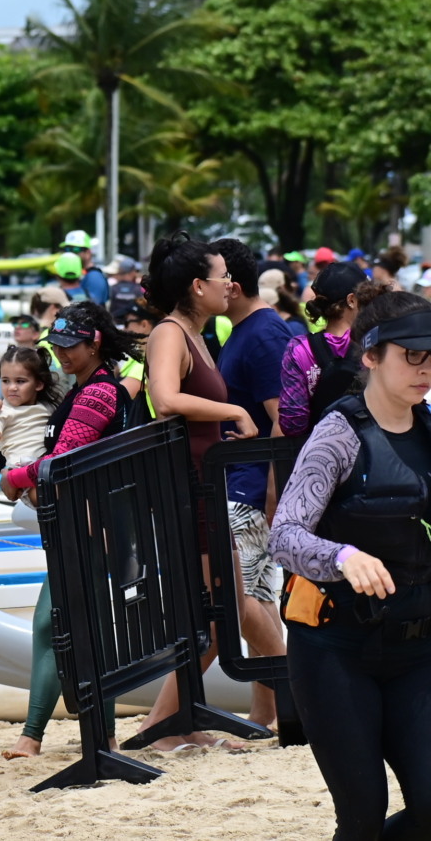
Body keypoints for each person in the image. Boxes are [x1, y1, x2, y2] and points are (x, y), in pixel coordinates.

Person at [270, 292, 431, 841]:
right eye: (411, 354)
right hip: (335, 652)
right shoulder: (337, 434)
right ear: (371, 356)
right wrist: (342, 555)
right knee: (362, 816)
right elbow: (284, 534)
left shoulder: (430, 429)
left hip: (418, 651)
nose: (425, 368)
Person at [0, 303, 138, 759]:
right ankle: (56, 735)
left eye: (69, 346)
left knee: (71, 626)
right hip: (87, 522)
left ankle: (61, 735)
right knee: (65, 625)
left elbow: (63, 459)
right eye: (56, 345)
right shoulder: (87, 388)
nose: (60, 354)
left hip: (90, 525)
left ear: (94, 343)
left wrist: (14, 478)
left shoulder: (97, 393)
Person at [136, 232, 259, 749]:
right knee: (220, 611)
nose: (230, 284)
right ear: (196, 285)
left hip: (203, 486)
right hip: (187, 489)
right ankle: (159, 727)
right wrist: (234, 410)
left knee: (225, 608)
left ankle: (181, 721)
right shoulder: (170, 334)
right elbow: (166, 398)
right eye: (221, 276)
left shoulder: (196, 333)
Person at [211, 238, 293, 728]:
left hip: (251, 486)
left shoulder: (262, 334)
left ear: (233, 286)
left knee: (235, 600)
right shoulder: (247, 329)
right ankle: (269, 713)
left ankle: (297, 693)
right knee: (258, 600)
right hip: (246, 481)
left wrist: (273, 493)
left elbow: (283, 419)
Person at [278, 263, 386, 438]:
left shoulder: (299, 349)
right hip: (376, 448)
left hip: (320, 451)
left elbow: (292, 424)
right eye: (367, 298)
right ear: (352, 300)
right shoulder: (377, 343)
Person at [0, 344, 58, 493]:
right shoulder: (2, 411)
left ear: (39, 384)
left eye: (20, 381)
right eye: (5, 381)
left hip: (47, 470)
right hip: (19, 474)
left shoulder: (48, 407)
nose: (12, 387)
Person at [59, 230, 110, 306]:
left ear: (88, 253)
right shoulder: (83, 273)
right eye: (67, 249)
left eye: (76, 250)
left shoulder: (94, 276)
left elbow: (93, 309)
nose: (71, 254)